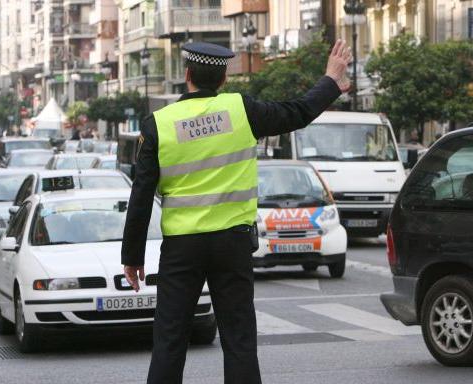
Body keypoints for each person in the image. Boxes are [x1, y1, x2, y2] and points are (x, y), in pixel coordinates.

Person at [121, 39, 352, 384]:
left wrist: (133, 257)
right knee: (239, 339)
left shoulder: (159, 123)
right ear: (224, 78)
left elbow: (141, 195)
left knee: (169, 341)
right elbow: (298, 112)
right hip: (232, 244)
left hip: (182, 249)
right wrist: (331, 80)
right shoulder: (241, 110)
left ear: (187, 75)